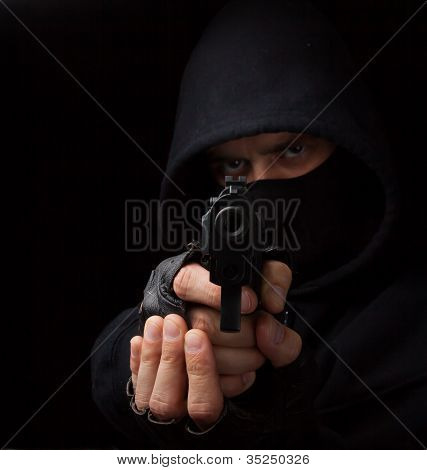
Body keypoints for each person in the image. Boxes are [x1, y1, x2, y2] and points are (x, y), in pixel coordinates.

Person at [91, 0, 427, 449]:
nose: (258, 187)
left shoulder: (412, 325)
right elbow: (108, 363)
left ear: (346, 148)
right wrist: (153, 339)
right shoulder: (197, 294)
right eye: (233, 163)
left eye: (291, 150)